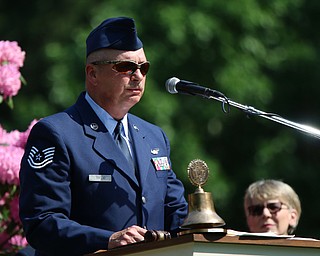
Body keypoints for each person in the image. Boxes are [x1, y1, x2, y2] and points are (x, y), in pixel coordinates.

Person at [19, 17, 188, 256]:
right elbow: (41, 223)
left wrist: (208, 228)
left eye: (143, 67)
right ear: (93, 74)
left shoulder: (154, 137)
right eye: (125, 67)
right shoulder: (57, 133)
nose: (138, 76)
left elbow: (175, 212)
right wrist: (107, 240)